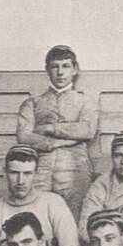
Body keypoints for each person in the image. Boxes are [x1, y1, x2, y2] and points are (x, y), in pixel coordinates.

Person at [16, 45, 99, 220]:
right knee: (36, 217)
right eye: (55, 66)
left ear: (75, 69)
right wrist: (58, 142)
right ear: (47, 69)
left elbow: (87, 130)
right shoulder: (32, 103)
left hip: (75, 167)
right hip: (40, 167)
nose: (60, 72)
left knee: (75, 218)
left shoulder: (86, 102)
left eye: (66, 66)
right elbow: (24, 136)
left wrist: (49, 129)